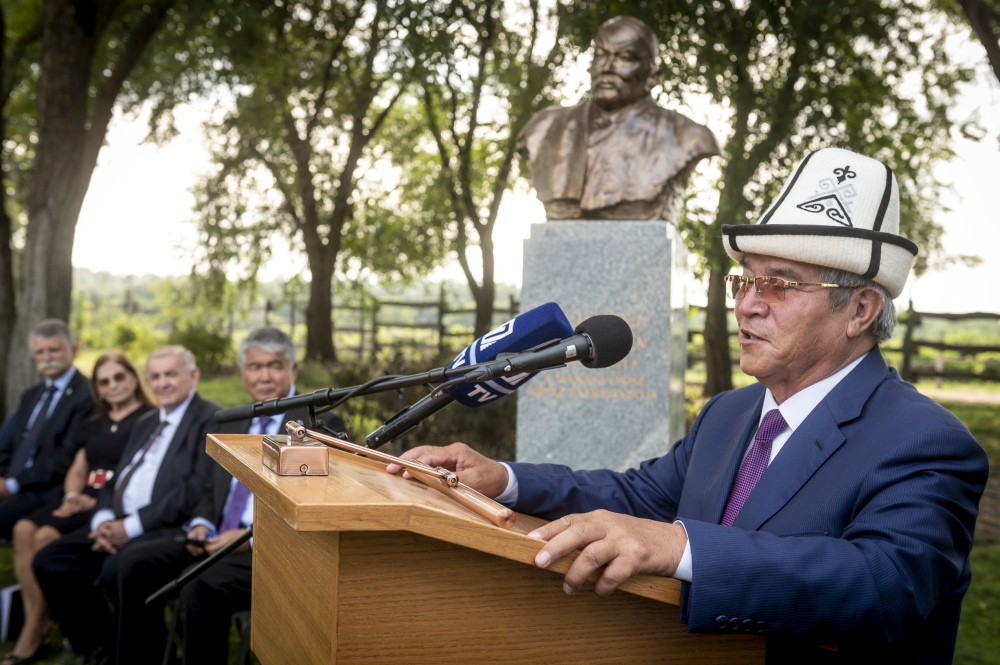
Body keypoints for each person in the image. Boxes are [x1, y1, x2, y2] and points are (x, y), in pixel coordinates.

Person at [390, 147, 989, 663]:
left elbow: (886, 586)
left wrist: (679, 546)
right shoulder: (730, 414)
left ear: (859, 310)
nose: (747, 304)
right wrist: (503, 479)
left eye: (780, 284)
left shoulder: (925, 441)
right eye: (744, 280)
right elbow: (637, 498)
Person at [113, 328, 347, 665]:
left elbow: (315, 505)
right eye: (255, 367)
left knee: (200, 585)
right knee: (132, 563)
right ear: (243, 372)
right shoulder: (233, 421)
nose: (264, 376)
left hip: (268, 549)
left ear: (293, 370)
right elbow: (212, 489)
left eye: (275, 366)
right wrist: (201, 523)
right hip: (212, 539)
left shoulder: (317, 424)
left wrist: (248, 538)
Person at [32, 346, 220, 663]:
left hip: (165, 526)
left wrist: (130, 527)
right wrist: (103, 521)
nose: (162, 383)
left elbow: (192, 491)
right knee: (50, 560)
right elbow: (116, 479)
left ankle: (134, 654)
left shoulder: (210, 420)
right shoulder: (147, 421)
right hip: (117, 521)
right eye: (155, 376)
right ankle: (104, 643)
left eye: (171, 374)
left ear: (194, 376)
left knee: (116, 568)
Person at [3, 351, 155, 665]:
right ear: (97, 389)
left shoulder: (149, 419)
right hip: (80, 496)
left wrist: (94, 501)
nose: (113, 386)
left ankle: (45, 630)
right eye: (104, 382)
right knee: (23, 528)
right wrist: (72, 495)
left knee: (45, 537)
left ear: (133, 378)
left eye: (119, 377)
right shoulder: (96, 421)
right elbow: (78, 466)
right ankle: (37, 622)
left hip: (111, 504)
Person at [516, 15, 719, 221]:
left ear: (652, 77)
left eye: (625, 57)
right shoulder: (544, 128)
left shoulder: (687, 137)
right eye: (600, 54)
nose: (607, 66)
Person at [0, 319, 94, 540]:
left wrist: (12, 485)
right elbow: (10, 443)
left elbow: (65, 457)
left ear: (73, 350)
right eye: (40, 352)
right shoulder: (31, 395)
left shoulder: (86, 395)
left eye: (54, 350)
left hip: (46, 489)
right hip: (11, 482)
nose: (47, 357)